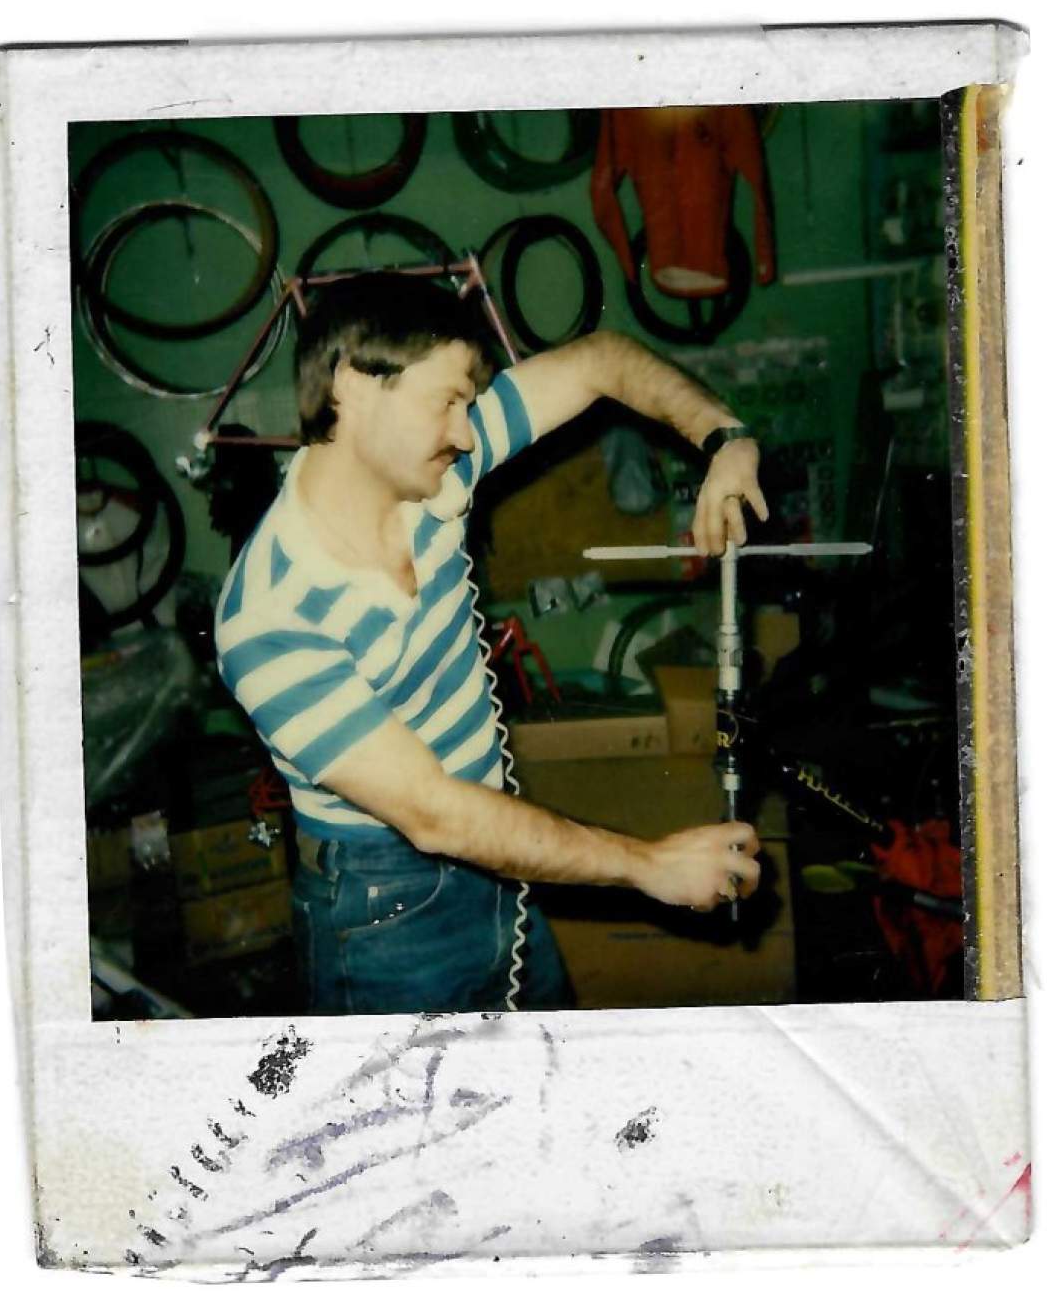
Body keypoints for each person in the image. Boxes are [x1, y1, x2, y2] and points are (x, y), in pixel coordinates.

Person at [214, 272, 769, 1016]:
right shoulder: (267, 616)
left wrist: (723, 435)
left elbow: (601, 359)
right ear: (350, 386)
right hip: (385, 914)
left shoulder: (437, 472)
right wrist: (648, 865)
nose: (468, 432)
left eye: (468, 405)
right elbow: (436, 813)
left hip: (500, 855)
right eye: (446, 401)